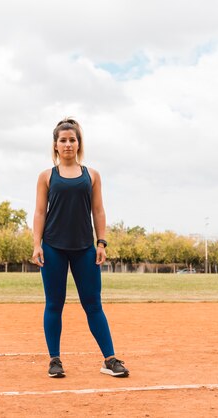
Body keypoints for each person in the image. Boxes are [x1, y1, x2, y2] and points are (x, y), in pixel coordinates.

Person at [32, 118, 129, 378]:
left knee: (93, 304)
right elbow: (40, 212)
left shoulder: (92, 175)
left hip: (85, 248)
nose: (67, 144)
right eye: (62, 140)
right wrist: (36, 245)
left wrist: (101, 242)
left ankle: (109, 359)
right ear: (55, 145)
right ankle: (55, 360)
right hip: (53, 247)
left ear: (78, 144)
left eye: (72, 139)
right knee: (54, 304)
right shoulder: (46, 176)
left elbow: (98, 210)